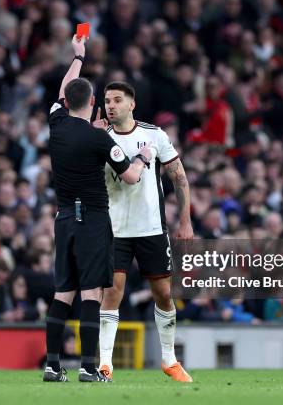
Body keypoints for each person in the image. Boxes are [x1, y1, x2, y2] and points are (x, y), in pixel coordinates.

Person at [43, 35, 152, 383]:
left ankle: (52, 365)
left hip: (63, 218)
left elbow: (64, 90)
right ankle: (89, 367)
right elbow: (132, 177)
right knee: (91, 292)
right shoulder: (99, 138)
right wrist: (142, 156)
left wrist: (78, 56)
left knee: (63, 292)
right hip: (91, 218)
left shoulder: (56, 125)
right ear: (94, 102)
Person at [94, 81, 194, 382]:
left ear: (131, 104)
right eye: (107, 100)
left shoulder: (154, 135)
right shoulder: (100, 138)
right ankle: (105, 364)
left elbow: (179, 178)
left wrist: (185, 220)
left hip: (151, 227)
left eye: (117, 100)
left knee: (164, 293)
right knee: (112, 292)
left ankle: (169, 360)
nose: (111, 105)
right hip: (114, 228)